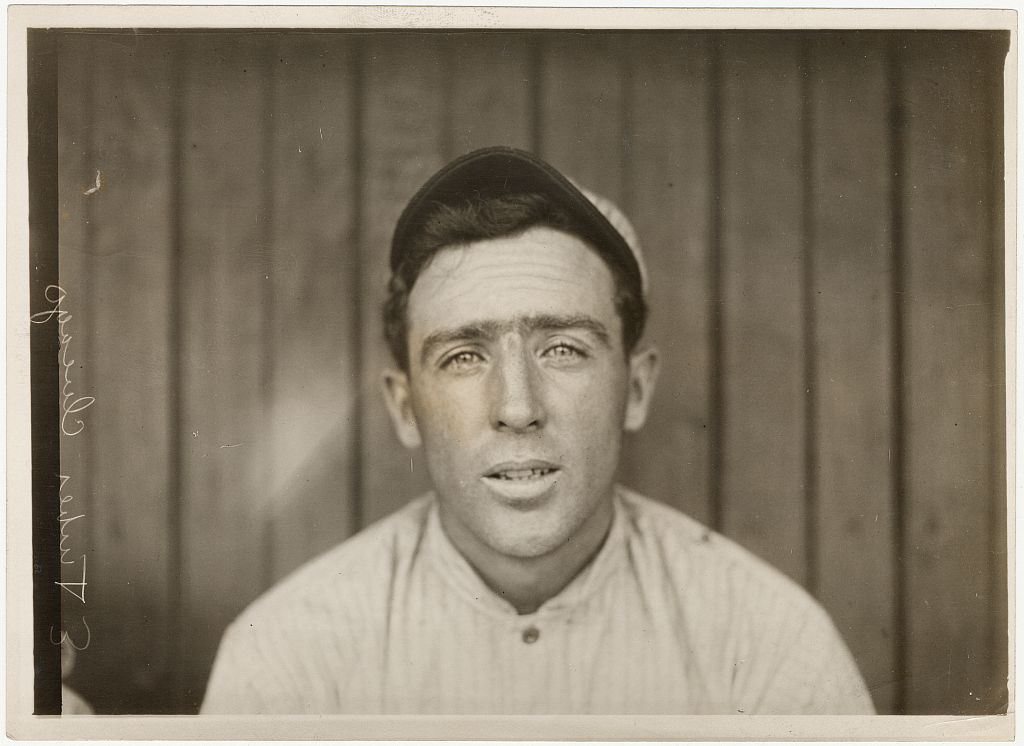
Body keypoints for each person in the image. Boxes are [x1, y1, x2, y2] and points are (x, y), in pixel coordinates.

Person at [201, 146, 875, 715]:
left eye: (563, 349)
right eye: (464, 357)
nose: (517, 407)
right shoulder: (284, 661)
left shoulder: (770, 651)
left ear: (635, 389)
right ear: (405, 408)